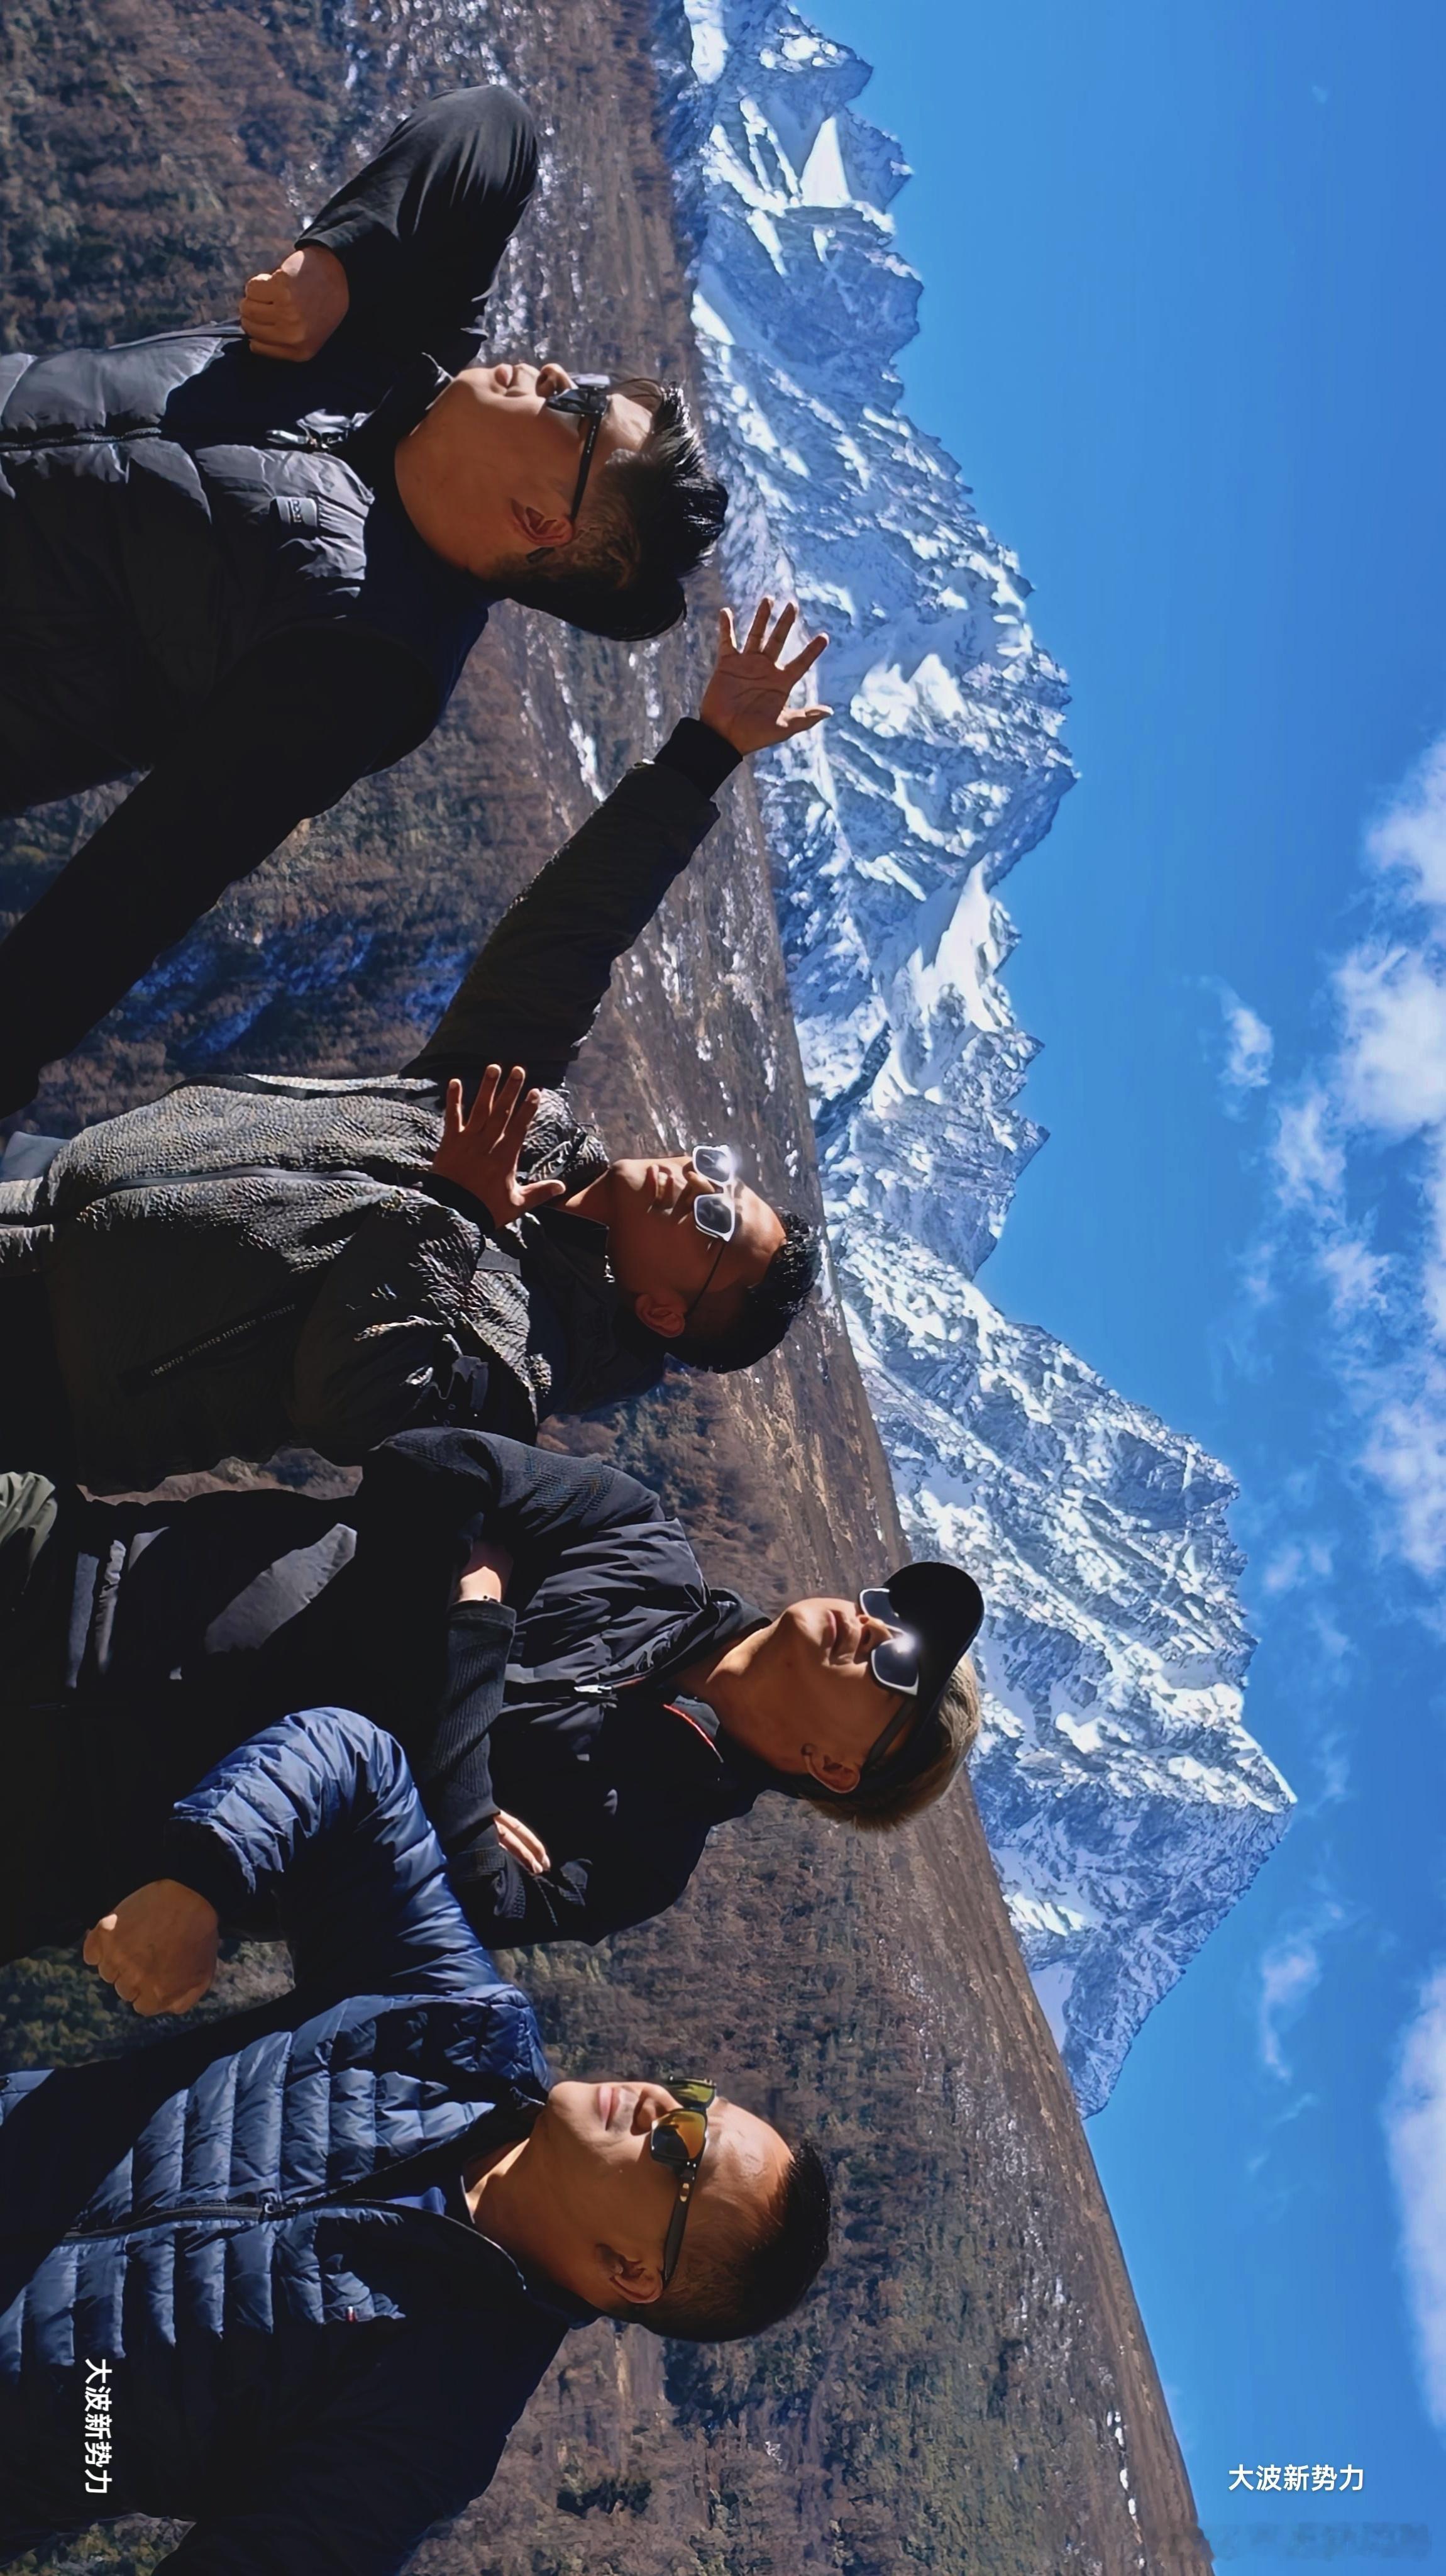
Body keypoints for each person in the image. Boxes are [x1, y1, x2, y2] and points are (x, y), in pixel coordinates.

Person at [0, 83, 730, 1109]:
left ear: (542, 522)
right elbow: (499, 132)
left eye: (578, 410)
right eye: (587, 380)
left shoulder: (368, 658)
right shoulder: (392, 350)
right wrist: (335, 264)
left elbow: (146, 882)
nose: (556, 372)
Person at [0, 599, 830, 1491]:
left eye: (715, 1223)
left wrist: (455, 1212)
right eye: (721, 1175)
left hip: (44, 1370)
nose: (700, 1183)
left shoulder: (518, 1365)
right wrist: (707, 752)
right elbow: (565, 937)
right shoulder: (525, 1121)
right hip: (39, 1179)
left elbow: (356, 1404)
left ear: (665, 1312)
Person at [0, 1706, 832, 2572]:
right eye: (697, 2099)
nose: (664, 2104)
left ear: (631, 2272)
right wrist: (203, 1878)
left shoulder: (437, 2417)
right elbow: (356, 1762)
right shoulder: (451, 2024)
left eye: (683, 2151)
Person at [0, 1426, 984, 1965]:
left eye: (898, 1668)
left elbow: (456, 1904)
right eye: (890, 1610)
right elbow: (429, 1469)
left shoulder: (640, 1859)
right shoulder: (639, 1539)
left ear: (836, 1768)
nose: (876, 1629)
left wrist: (477, 1615)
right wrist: (442, 1793)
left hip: (76, 1843)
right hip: (79, 1583)